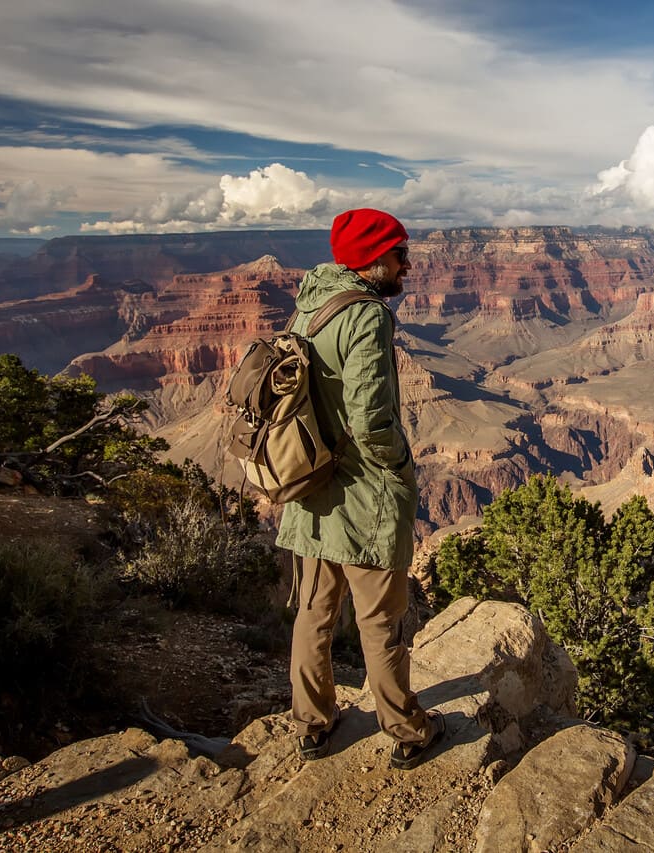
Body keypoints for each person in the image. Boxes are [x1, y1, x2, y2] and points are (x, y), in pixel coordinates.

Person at [276, 208, 444, 768]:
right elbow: (370, 416)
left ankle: (312, 725)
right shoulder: (368, 316)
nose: (408, 266)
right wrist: (398, 466)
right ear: (374, 260)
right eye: (400, 255)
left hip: (309, 486)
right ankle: (405, 731)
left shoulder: (310, 303)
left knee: (314, 613)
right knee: (381, 621)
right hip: (362, 495)